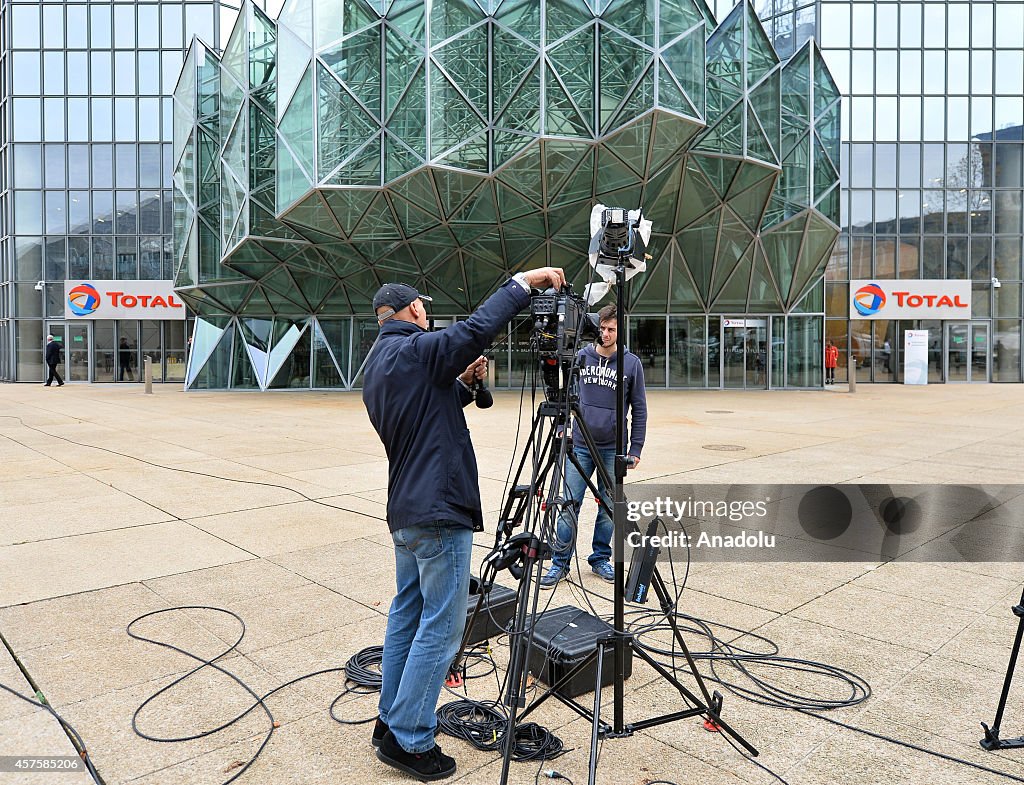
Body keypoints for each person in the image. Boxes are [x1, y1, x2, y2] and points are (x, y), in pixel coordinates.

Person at [362, 266, 566, 782]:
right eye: (424, 308)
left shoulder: (382, 365)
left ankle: (391, 719)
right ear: (412, 311)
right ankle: (410, 739)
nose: (427, 314)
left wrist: (463, 383)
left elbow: (426, 408)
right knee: (443, 627)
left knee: (408, 614)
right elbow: (473, 330)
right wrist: (523, 283)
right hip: (438, 511)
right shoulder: (416, 348)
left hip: (406, 513)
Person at [541, 303, 647, 588]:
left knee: (610, 506)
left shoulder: (631, 363)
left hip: (614, 447)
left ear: (620, 331)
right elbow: (564, 397)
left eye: (611, 329)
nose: (606, 334)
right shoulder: (581, 357)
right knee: (568, 504)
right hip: (580, 445)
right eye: (601, 328)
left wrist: (635, 449)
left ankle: (600, 558)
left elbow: (639, 409)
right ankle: (559, 563)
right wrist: (563, 428)